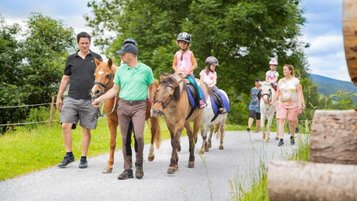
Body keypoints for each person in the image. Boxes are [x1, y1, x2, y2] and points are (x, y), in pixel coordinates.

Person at [92, 42, 154, 180]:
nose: (121, 56)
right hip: (123, 106)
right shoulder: (120, 70)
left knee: (138, 136)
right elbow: (114, 90)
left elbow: (151, 86)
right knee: (125, 138)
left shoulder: (146, 70)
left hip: (139, 106)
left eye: (123, 54)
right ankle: (128, 169)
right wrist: (99, 99)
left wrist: (151, 100)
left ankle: (139, 164)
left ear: (131, 55)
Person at [56, 32, 102, 169]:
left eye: (86, 43)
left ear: (90, 43)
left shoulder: (97, 58)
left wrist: (100, 98)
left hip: (90, 100)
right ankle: (69, 154)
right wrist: (59, 96)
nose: (84, 45)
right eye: (82, 43)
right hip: (72, 98)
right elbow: (65, 78)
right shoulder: (71, 58)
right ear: (78, 43)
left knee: (86, 130)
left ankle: (83, 158)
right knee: (65, 125)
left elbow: (102, 78)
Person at [271, 64, 304, 146]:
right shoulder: (280, 81)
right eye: (283, 69)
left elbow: (299, 93)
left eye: (285, 69)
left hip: (293, 104)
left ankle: (292, 137)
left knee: (291, 121)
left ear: (290, 71)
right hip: (281, 103)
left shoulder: (296, 81)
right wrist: (272, 101)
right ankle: (281, 139)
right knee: (281, 120)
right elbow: (277, 92)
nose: (284, 71)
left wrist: (300, 104)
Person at [172, 32, 206, 108]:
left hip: (188, 75)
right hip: (178, 75)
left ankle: (200, 100)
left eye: (185, 43)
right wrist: (177, 71)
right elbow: (174, 65)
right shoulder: (176, 54)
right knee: (168, 83)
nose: (182, 44)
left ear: (188, 44)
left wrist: (187, 72)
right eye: (181, 42)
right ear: (178, 43)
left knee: (195, 84)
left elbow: (195, 64)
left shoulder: (190, 53)